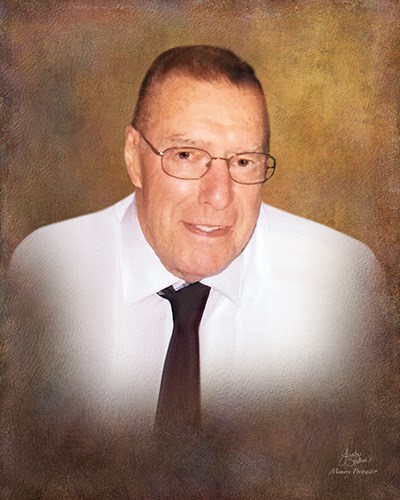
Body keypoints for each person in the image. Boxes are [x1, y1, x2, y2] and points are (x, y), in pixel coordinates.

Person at [3, 46, 385, 497]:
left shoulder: (339, 280)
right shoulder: (47, 270)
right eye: (186, 155)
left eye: (243, 161)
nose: (218, 195)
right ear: (134, 156)